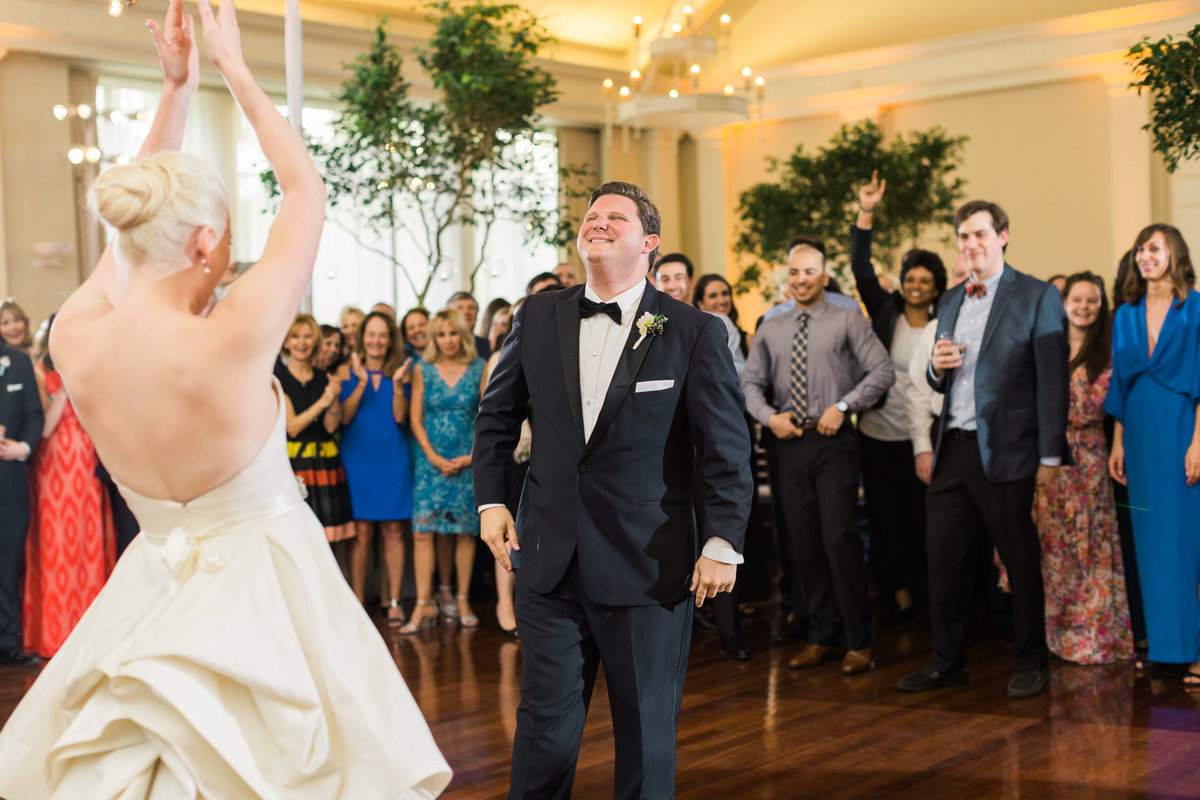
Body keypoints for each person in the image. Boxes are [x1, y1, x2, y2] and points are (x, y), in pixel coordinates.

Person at [0, 2, 450, 795]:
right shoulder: (235, 333)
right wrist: (234, 71)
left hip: (150, 585)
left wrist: (176, 91)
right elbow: (305, 190)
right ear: (208, 243)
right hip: (272, 597)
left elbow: (127, 241)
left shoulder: (74, 331)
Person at [474, 181, 752, 799]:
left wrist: (723, 540)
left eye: (615, 217)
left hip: (647, 568)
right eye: (591, 215)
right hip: (549, 563)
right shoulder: (537, 314)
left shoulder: (693, 331)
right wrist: (491, 500)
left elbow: (726, 450)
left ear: (649, 242)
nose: (597, 222)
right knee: (542, 733)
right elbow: (495, 416)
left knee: (646, 739)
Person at [896, 200, 1069, 700]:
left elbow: (1053, 383)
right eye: (962, 237)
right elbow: (935, 377)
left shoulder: (1036, 296)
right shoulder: (949, 300)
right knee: (943, 560)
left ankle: (1032, 660)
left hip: (1011, 451)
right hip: (954, 448)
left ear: (1003, 236)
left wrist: (1051, 457)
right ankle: (947, 662)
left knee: (1019, 559)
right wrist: (936, 366)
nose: (970, 244)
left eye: (979, 234)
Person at [742, 234, 894, 675]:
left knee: (839, 539)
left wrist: (844, 406)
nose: (801, 279)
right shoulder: (770, 324)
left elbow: (882, 370)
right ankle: (821, 636)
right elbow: (749, 384)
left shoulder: (848, 317)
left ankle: (860, 641)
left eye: (810, 271)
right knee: (803, 544)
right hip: (788, 442)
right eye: (794, 271)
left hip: (834, 443)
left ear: (824, 276)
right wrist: (769, 418)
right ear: (786, 276)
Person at [849, 172, 947, 622]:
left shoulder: (945, 322)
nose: (916, 285)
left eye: (925, 280)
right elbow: (861, 267)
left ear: (936, 287)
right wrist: (866, 211)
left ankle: (928, 595)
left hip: (925, 440)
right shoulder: (884, 309)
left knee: (923, 522)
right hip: (877, 435)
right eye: (911, 277)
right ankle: (897, 593)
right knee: (885, 521)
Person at [1106, 223, 1200, 684]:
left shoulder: (1197, 308)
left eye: (1155, 248)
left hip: (1183, 428)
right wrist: (1118, 443)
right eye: (1140, 249)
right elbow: (1120, 385)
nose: (1145, 256)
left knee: (1187, 543)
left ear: (1174, 254)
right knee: (1150, 542)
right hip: (1139, 434)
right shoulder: (1125, 314)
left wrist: (1199, 442)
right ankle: (1165, 649)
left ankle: (1196, 651)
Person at [1032, 272, 1133, 664]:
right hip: (1049, 458)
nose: (1084, 306)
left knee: (1090, 544)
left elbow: (1121, 404)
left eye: (1092, 300)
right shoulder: (1046, 346)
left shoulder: (1109, 352)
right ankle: (1055, 631)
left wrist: (1118, 445)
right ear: (1063, 303)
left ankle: (1095, 631)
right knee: (1054, 546)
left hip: (1090, 455)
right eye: (1077, 299)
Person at [22, 321, 115, 659]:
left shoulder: (93, 371)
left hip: (88, 461)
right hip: (53, 464)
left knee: (87, 543)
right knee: (56, 544)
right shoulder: (36, 371)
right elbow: (44, 427)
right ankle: (56, 630)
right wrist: (65, 387)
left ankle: (91, 630)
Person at [407, 308, 487, 633]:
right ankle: (424, 604)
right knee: (423, 532)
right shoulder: (422, 368)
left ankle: (463, 597)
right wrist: (432, 456)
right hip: (431, 464)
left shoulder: (479, 367)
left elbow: (487, 416)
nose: (448, 340)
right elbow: (414, 418)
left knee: (465, 532)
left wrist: (471, 457)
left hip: (468, 462)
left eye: (453, 333)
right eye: (441, 334)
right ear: (433, 338)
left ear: (462, 335)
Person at [337, 310, 414, 627]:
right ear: (361, 338)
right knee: (362, 533)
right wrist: (360, 382)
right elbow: (342, 418)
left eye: (383, 335)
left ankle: (394, 601)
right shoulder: (346, 371)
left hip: (392, 458)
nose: (377, 340)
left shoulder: (403, 372)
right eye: (371, 334)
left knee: (394, 531)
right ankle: (357, 600)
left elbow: (400, 417)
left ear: (390, 339)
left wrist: (396, 386)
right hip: (357, 458)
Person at [278, 314, 354, 543]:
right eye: (296, 337)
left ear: (315, 341)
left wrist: (333, 399)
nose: (302, 343)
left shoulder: (324, 378)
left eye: (308, 337)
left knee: (328, 538)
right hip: (294, 463)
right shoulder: (278, 379)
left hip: (324, 462)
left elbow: (331, 426)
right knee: (296, 535)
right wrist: (323, 401)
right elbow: (292, 427)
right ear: (286, 342)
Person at [449, 290, 492, 360]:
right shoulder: (440, 346)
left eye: (471, 308)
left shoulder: (487, 345)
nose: (466, 312)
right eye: (460, 308)